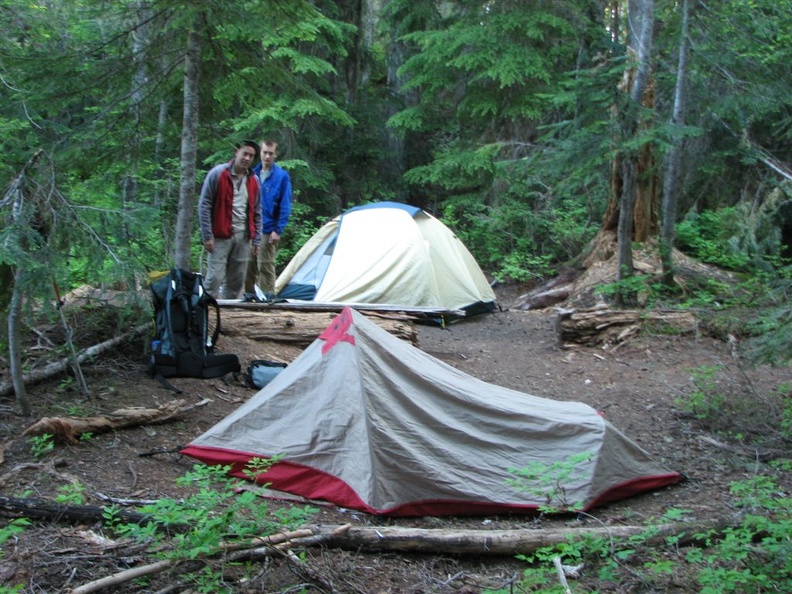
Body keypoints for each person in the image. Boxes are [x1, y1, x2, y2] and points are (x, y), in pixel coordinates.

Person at [198, 140, 262, 299]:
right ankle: (206, 315)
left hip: (243, 236)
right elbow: (204, 205)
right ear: (236, 153)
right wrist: (207, 236)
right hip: (220, 235)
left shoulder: (254, 180)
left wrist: (257, 240)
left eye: (251, 156)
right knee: (214, 278)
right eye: (245, 154)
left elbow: (257, 211)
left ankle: (230, 317)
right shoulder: (218, 174)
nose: (247, 158)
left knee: (236, 281)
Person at [244, 138, 293, 294]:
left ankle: (268, 301)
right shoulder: (253, 174)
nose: (267, 157)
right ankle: (249, 299)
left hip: (268, 228)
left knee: (265, 266)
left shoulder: (281, 177)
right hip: (251, 228)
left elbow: (285, 205)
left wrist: (278, 230)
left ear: (275, 155)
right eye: (265, 152)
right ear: (260, 152)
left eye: (270, 154)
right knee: (248, 266)